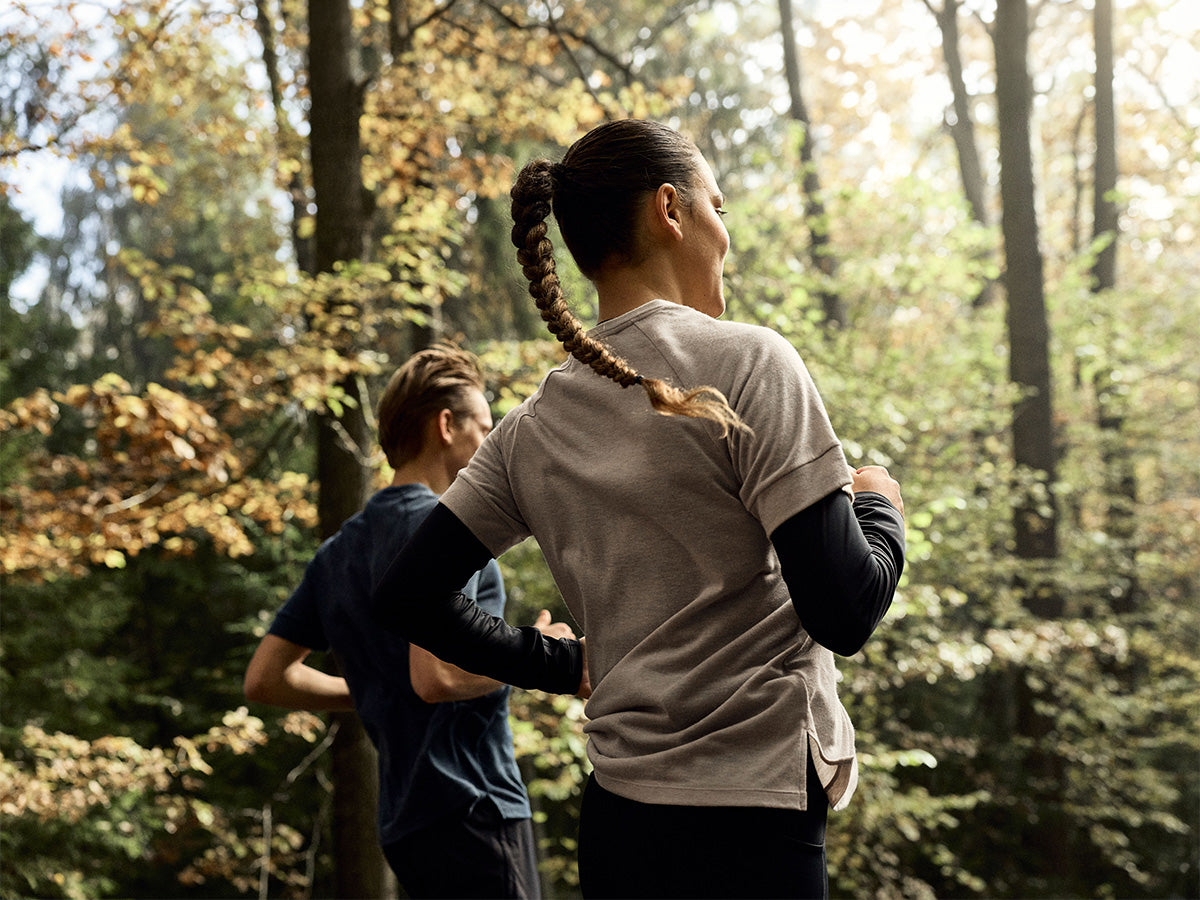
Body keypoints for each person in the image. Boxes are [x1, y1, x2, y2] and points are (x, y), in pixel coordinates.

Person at [371, 119, 906, 899]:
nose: (727, 234)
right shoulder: (750, 363)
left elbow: (406, 593)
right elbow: (845, 610)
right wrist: (879, 505)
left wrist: (562, 664)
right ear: (670, 210)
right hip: (753, 821)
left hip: (620, 823)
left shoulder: (530, 429)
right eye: (716, 206)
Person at [244, 344, 574, 899]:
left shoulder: (336, 554)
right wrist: (537, 651)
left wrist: (375, 688)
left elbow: (267, 678)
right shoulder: (445, 535)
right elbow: (438, 676)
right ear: (446, 425)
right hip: (475, 805)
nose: (491, 443)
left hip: (406, 828)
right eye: (485, 427)